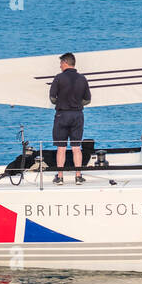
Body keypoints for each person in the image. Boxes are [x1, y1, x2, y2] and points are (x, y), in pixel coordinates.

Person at [50, 52, 92, 185]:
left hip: (62, 115)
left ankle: (60, 176)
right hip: (77, 115)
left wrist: (62, 102)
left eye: (60, 64)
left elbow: (52, 98)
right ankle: (78, 176)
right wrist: (78, 104)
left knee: (61, 148)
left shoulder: (58, 78)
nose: (60, 66)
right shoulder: (82, 78)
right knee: (76, 147)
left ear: (65, 63)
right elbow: (88, 99)